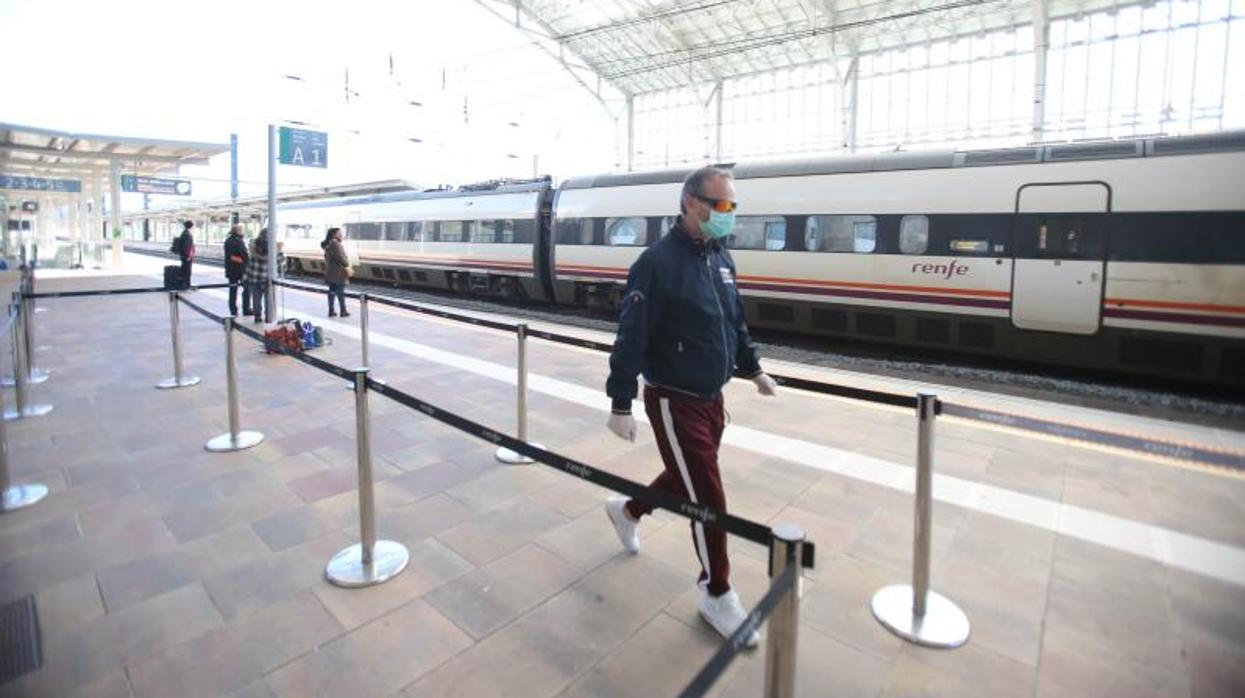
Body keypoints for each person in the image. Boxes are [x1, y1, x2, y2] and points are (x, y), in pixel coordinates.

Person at [602, 166, 779, 648]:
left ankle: (629, 511)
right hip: (672, 398)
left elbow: (734, 322)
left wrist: (754, 367)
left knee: (686, 478)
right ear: (690, 204)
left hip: (712, 398)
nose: (729, 215)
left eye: (733, 206)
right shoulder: (656, 263)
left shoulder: (722, 259)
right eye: (721, 206)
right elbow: (631, 334)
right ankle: (716, 592)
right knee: (709, 499)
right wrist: (621, 401)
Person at [321, 227, 351, 317]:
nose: (341, 235)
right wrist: (347, 263)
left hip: (331, 272)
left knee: (332, 292)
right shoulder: (335, 243)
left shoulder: (329, 243)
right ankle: (343, 310)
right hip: (338, 273)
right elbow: (341, 257)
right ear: (334, 234)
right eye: (339, 233)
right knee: (340, 292)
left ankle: (331, 310)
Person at [243, 228, 270, 323]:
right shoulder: (272, 247)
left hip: (254, 278)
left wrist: (245, 277)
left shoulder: (254, 247)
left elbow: (249, 265)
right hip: (268, 279)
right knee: (268, 300)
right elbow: (280, 264)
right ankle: (268, 317)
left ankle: (257, 316)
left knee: (256, 299)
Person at [223, 225, 249, 317]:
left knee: (232, 290)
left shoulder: (227, 240)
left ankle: (233, 310)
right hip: (241, 269)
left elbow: (229, 256)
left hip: (230, 269)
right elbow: (245, 255)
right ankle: (246, 309)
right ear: (238, 231)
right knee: (247, 289)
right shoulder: (239, 241)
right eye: (242, 230)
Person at [172, 220, 196, 289]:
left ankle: (184, 283)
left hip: (184, 255)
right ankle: (186, 284)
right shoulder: (187, 235)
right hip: (186, 256)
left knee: (184, 269)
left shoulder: (184, 233)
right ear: (191, 227)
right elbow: (187, 246)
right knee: (187, 270)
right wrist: (188, 256)